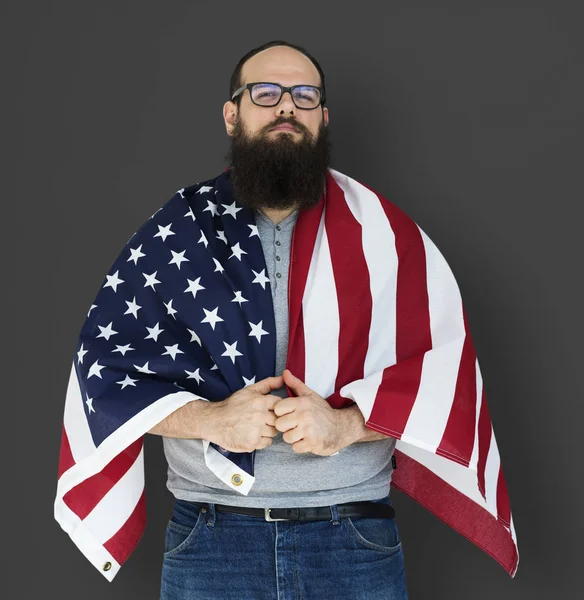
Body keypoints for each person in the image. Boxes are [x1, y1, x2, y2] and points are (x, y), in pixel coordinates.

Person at [54, 39, 518, 600]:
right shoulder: (175, 232)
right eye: (265, 93)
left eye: (304, 96)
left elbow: (447, 380)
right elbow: (104, 380)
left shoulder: (387, 237)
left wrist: (345, 426)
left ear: (323, 117)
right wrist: (212, 420)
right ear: (233, 114)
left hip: (351, 540)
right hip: (211, 542)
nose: (286, 108)